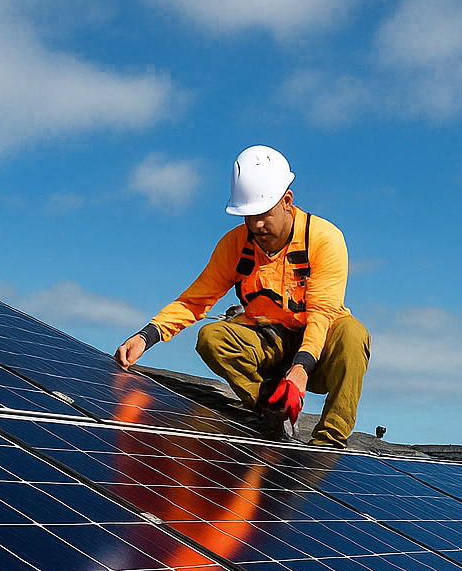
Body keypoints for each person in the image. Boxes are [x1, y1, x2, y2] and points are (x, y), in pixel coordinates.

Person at [114, 145, 370, 448]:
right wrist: (146, 336)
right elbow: (194, 301)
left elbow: (321, 314)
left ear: (287, 201)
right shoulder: (235, 245)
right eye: (248, 215)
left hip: (321, 348)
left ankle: (328, 443)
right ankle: (272, 411)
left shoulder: (324, 239)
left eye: (264, 214)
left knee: (353, 334)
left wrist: (300, 369)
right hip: (268, 342)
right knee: (212, 337)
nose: (256, 224)